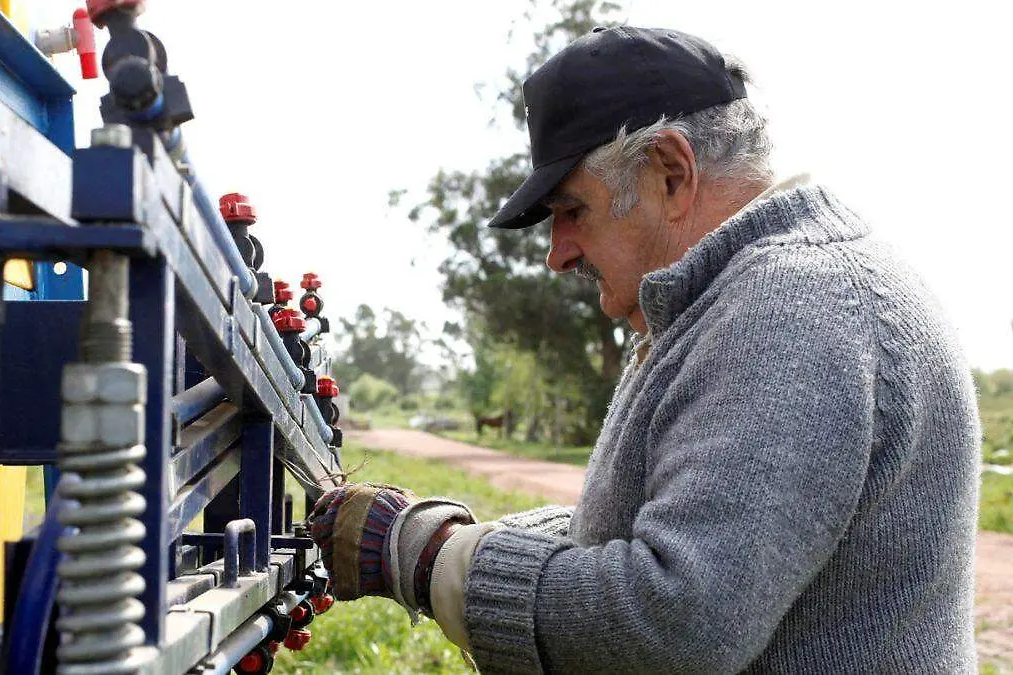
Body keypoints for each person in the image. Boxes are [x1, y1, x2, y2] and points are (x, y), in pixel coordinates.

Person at [309, 26, 980, 673]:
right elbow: (655, 528)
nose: (556, 254)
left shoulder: (796, 310)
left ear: (670, 172)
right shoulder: (735, 299)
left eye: (574, 211)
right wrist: (452, 541)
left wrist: (429, 560)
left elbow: (675, 621)